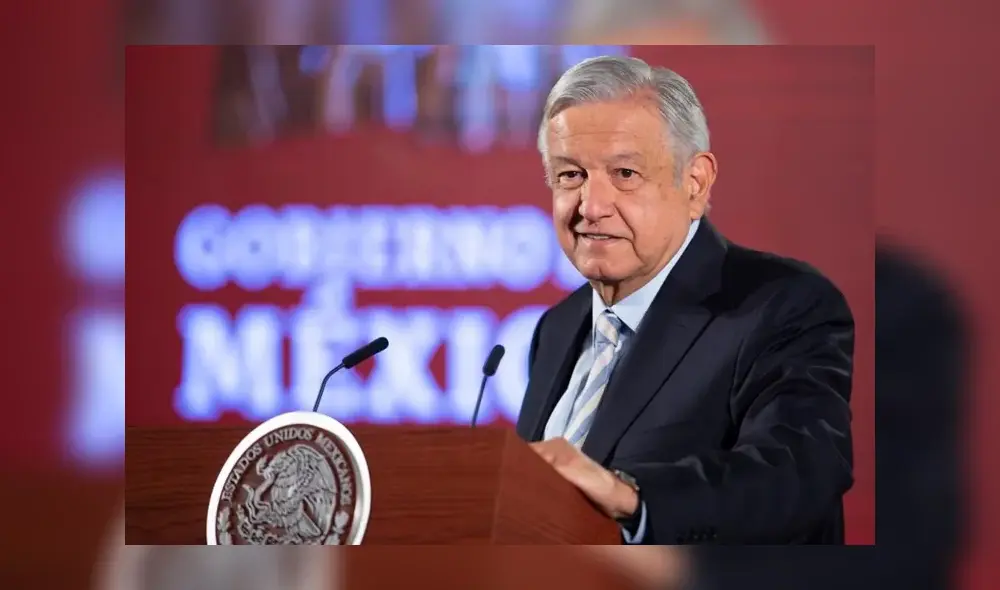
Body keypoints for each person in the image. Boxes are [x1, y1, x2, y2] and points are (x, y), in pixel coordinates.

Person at [518, 55, 855, 545]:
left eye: (625, 173)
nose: (591, 206)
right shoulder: (558, 327)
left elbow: (800, 473)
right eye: (570, 175)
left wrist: (631, 499)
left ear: (695, 183)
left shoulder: (782, 305)